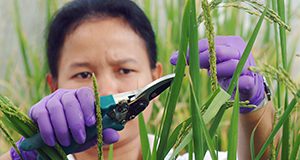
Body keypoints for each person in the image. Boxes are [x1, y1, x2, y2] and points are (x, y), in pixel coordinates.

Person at [0, 0, 280, 159]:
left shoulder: (190, 155)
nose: (105, 89)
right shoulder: (36, 157)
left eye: (124, 70)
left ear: (155, 77)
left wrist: (255, 109)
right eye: (83, 74)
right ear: (54, 86)